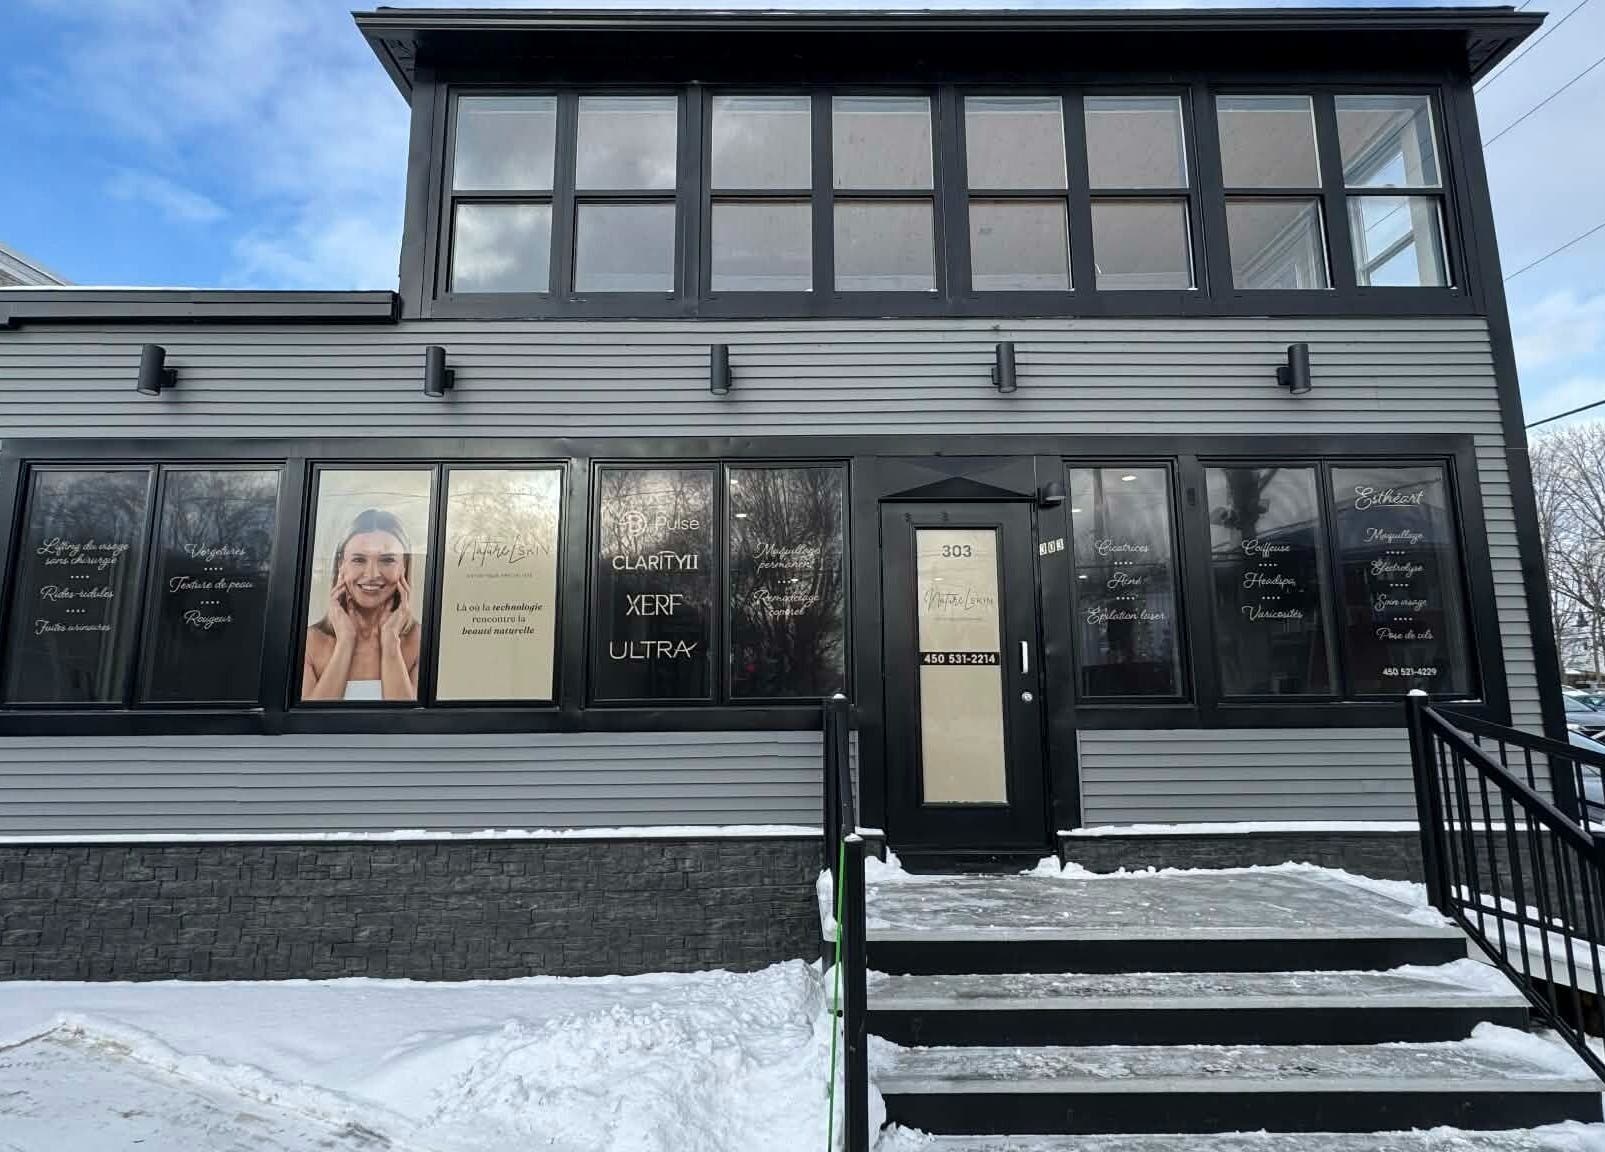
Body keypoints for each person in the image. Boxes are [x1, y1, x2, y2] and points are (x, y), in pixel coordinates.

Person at [302, 508, 420, 701]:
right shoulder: (309, 643)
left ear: (404, 566)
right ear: (341, 565)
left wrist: (391, 642)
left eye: (387, 560)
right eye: (358, 559)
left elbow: (405, 724)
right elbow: (310, 726)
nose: (372, 574)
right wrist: (345, 642)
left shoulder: (419, 641)